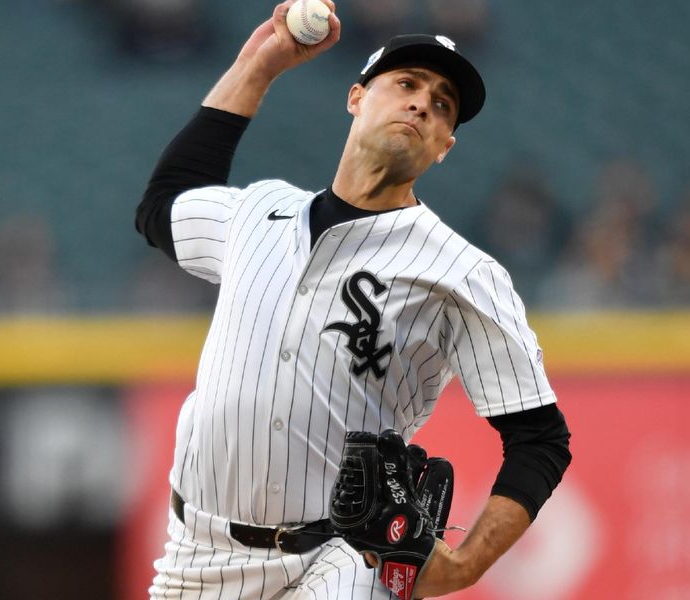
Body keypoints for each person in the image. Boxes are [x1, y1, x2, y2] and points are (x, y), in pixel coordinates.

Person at [135, 2, 571, 598]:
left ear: (445, 145)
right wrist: (257, 68)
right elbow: (163, 206)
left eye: (443, 104)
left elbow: (540, 439)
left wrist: (465, 564)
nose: (422, 102)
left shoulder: (461, 273)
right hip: (198, 553)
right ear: (357, 97)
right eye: (407, 84)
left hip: (342, 558)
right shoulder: (259, 212)